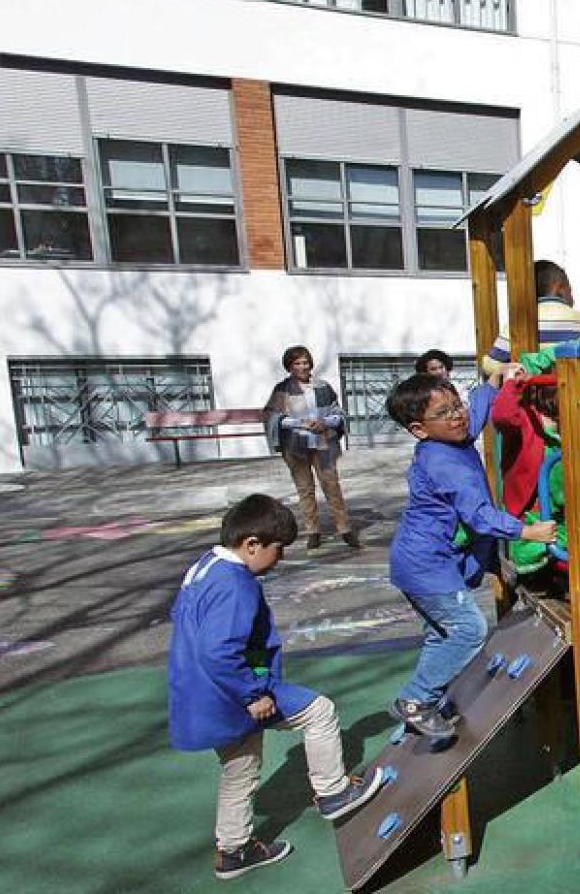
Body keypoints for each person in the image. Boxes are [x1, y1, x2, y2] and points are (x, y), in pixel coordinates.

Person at [167, 494, 386, 880]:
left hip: (199, 691)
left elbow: (190, 625)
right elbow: (219, 650)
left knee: (240, 766)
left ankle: (233, 851)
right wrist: (253, 693)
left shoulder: (205, 566)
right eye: (277, 549)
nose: (280, 558)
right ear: (251, 544)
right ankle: (333, 791)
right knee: (319, 712)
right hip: (232, 692)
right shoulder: (237, 585)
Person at [383, 371, 557, 742]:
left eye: (456, 405)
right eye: (444, 413)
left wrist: (493, 381)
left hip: (421, 561)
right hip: (427, 564)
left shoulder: (453, 434)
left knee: (440, 633)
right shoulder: (442, 462)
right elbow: (478, 515)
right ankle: (416, 700)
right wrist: (527, 531)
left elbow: (477, 409)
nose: (458, 415)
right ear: (418, 430)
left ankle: (431, 692)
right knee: (468, 629)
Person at [490, 344, 580, 594]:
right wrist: (514, 381)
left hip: (568, 510)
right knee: (539, 552)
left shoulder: (575, 422)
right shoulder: (525, 421)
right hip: (536, 513)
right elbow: (502, 416)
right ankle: (536, 576)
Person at [263, 345, 354, 549]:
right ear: (289, 367)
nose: (302, 367)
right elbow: (273, 416)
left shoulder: (323, 386)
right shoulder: (282, 389)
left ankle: (344, 529)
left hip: (322, 442)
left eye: (305, 362)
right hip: (296, 446)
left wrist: (326, 423)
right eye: (297, 363)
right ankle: (312, 531)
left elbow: (337, 411)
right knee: (305, 489)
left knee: (332, 485)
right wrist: (300, 423)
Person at [481, 260, 580, 376]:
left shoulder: (517, 325)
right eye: (570, 287)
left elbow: (490, 364)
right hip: (575, 391)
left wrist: (517, 369)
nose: (572, 294)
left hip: (528, 391)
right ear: (560, 288)